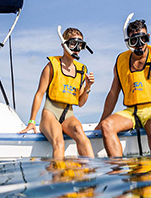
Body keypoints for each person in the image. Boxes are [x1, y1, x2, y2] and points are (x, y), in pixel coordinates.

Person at [96, 17, 151, 156]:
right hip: (131, 111)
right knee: (107, 126)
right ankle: (117, 170)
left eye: (143, 39)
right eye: (134, 41)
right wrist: (101, 121)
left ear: (148, 37)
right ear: (128, 43)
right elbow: (113, 94)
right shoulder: (120, 61)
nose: (139, 44)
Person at [18, 27, 95, 159]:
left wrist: (88, 86)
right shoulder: (51, 66)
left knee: (82, 136)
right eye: (72, 44)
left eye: (80, 45)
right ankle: (58, 177)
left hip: (68, 115)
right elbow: (39, 94)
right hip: (50, 113)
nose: (76, 48)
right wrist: (32, 121)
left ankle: (89, 176)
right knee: (59, 142)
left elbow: (81, 103)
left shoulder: (81, 70)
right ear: (63, 44)